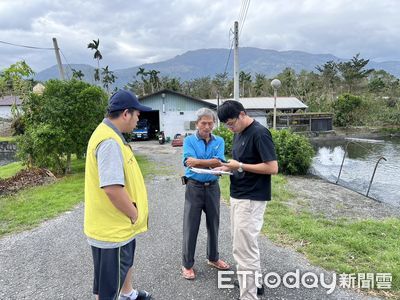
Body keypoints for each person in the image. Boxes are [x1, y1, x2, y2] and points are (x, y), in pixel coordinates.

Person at [84, 90, 152, 300]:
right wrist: (133, 214)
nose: (139, 117)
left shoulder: (109, 134)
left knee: (124, 266)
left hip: (116, 226)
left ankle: (128, 293)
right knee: (108, 288)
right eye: (137, 113)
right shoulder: (109, 142)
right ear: (125, 114)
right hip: (113, 228)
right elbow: (112, 188)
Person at [216, 100, 278, 300]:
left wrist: (240, 164)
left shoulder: (260, 133)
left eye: (231, 123)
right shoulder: (239, 133)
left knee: (244, 249)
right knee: (243, 244)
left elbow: (272, 168)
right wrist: (227, 167)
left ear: (242, 114)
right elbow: (241, 164)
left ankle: (249, 295)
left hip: (251, 198)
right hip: (239, 195)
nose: (230, 127)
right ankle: (254, 283)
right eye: (226, 125)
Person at [181, 108, 231, 280]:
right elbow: (189, 163)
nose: (207, 126)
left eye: (211, 123)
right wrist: (210, 163)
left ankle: (213, 258)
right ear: (197, 124)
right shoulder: (188, 141)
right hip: (194, 187)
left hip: (212, 187)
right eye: (204, 123)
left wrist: (201, 162)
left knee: (214, 224)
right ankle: (187, 264)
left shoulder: (220, 140)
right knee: (191, 226)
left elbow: (220, 162)